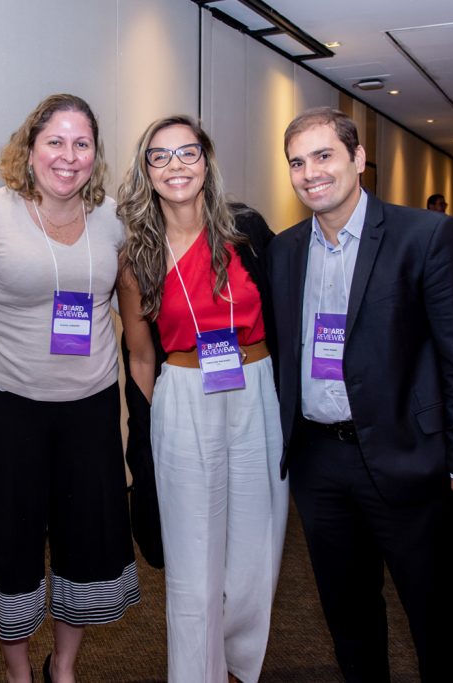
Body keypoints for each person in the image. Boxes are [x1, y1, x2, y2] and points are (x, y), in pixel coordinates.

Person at [267, 107, 453, 682]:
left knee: (435, 619)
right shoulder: (286, 250)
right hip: (321, 463)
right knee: (350, 619)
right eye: (297, 161)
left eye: (324, 156)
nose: (310, 172)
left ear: (357, 159)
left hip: (409, 455)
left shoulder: (425, 236)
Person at [0, 93, 139, 683]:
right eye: (55, 141)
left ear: (94, 155)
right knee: (13, 534)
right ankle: (17, 669)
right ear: (29, 149)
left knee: (85, 534)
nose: (68, 156)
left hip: (92, 404)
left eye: (82, 144)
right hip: (10, 404)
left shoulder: (111, 218)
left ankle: (66, 665)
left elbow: (132, 301)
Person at [117, 115, 288, 683]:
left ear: (206, 160)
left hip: (256, 391)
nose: (175, 166)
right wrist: (142, 438)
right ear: (146, 171)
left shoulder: (245, 230)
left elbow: (284, 319)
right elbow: (141, 356)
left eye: (187, 153)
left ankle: (240, 664)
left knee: (254, 555)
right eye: (159, 157)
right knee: (193, 560)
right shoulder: (136, 252)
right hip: (184, 400)